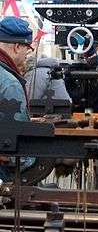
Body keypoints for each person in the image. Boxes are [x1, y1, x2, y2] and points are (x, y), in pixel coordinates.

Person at [0, 16, 33, 182]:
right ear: (17, 46)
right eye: (27, 49)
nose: (27, 55)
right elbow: (20, 148)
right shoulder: (9, 83)